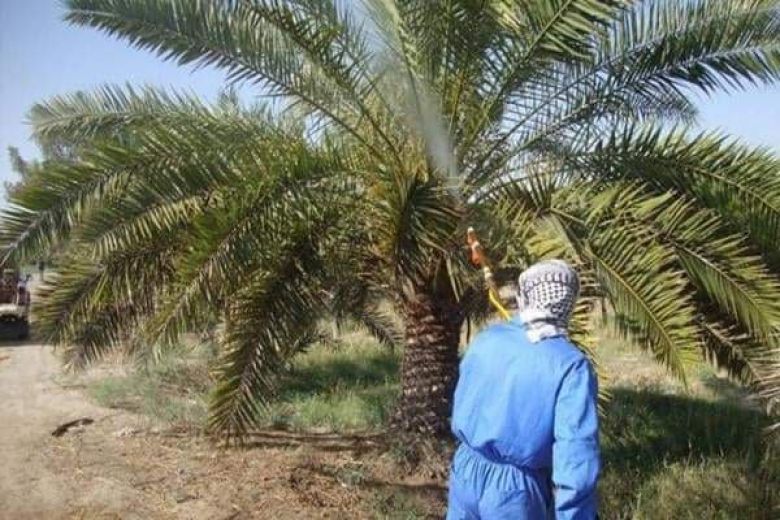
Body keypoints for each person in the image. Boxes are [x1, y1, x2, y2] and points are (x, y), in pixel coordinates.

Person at [447, 260, 600, 519]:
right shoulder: (571, 365)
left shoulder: (487, 339)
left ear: (524, 296)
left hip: (465, 468)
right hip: (516, 490)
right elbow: (575, 456)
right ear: (569, 303)